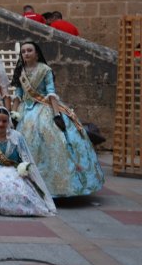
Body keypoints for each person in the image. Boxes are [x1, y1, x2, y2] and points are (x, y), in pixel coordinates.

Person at [11, 41, 104, 197]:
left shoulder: (45, 69)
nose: (26, 53)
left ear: (37, 53)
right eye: (23, 51)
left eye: (29, 50)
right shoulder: (21, 71)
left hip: (44, 109)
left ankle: (55, 186)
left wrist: (56, 115)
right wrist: (13, 114)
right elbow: (18, 95)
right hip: (24, 111)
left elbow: (51, 92)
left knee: (53, 141)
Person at [0, 108, 56, 216]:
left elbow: (26, 159)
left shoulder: (17, 137)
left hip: (14, 171)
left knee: (20, 190)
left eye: (4, 121)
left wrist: (29, 175)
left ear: (9, 122)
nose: (1, 124)